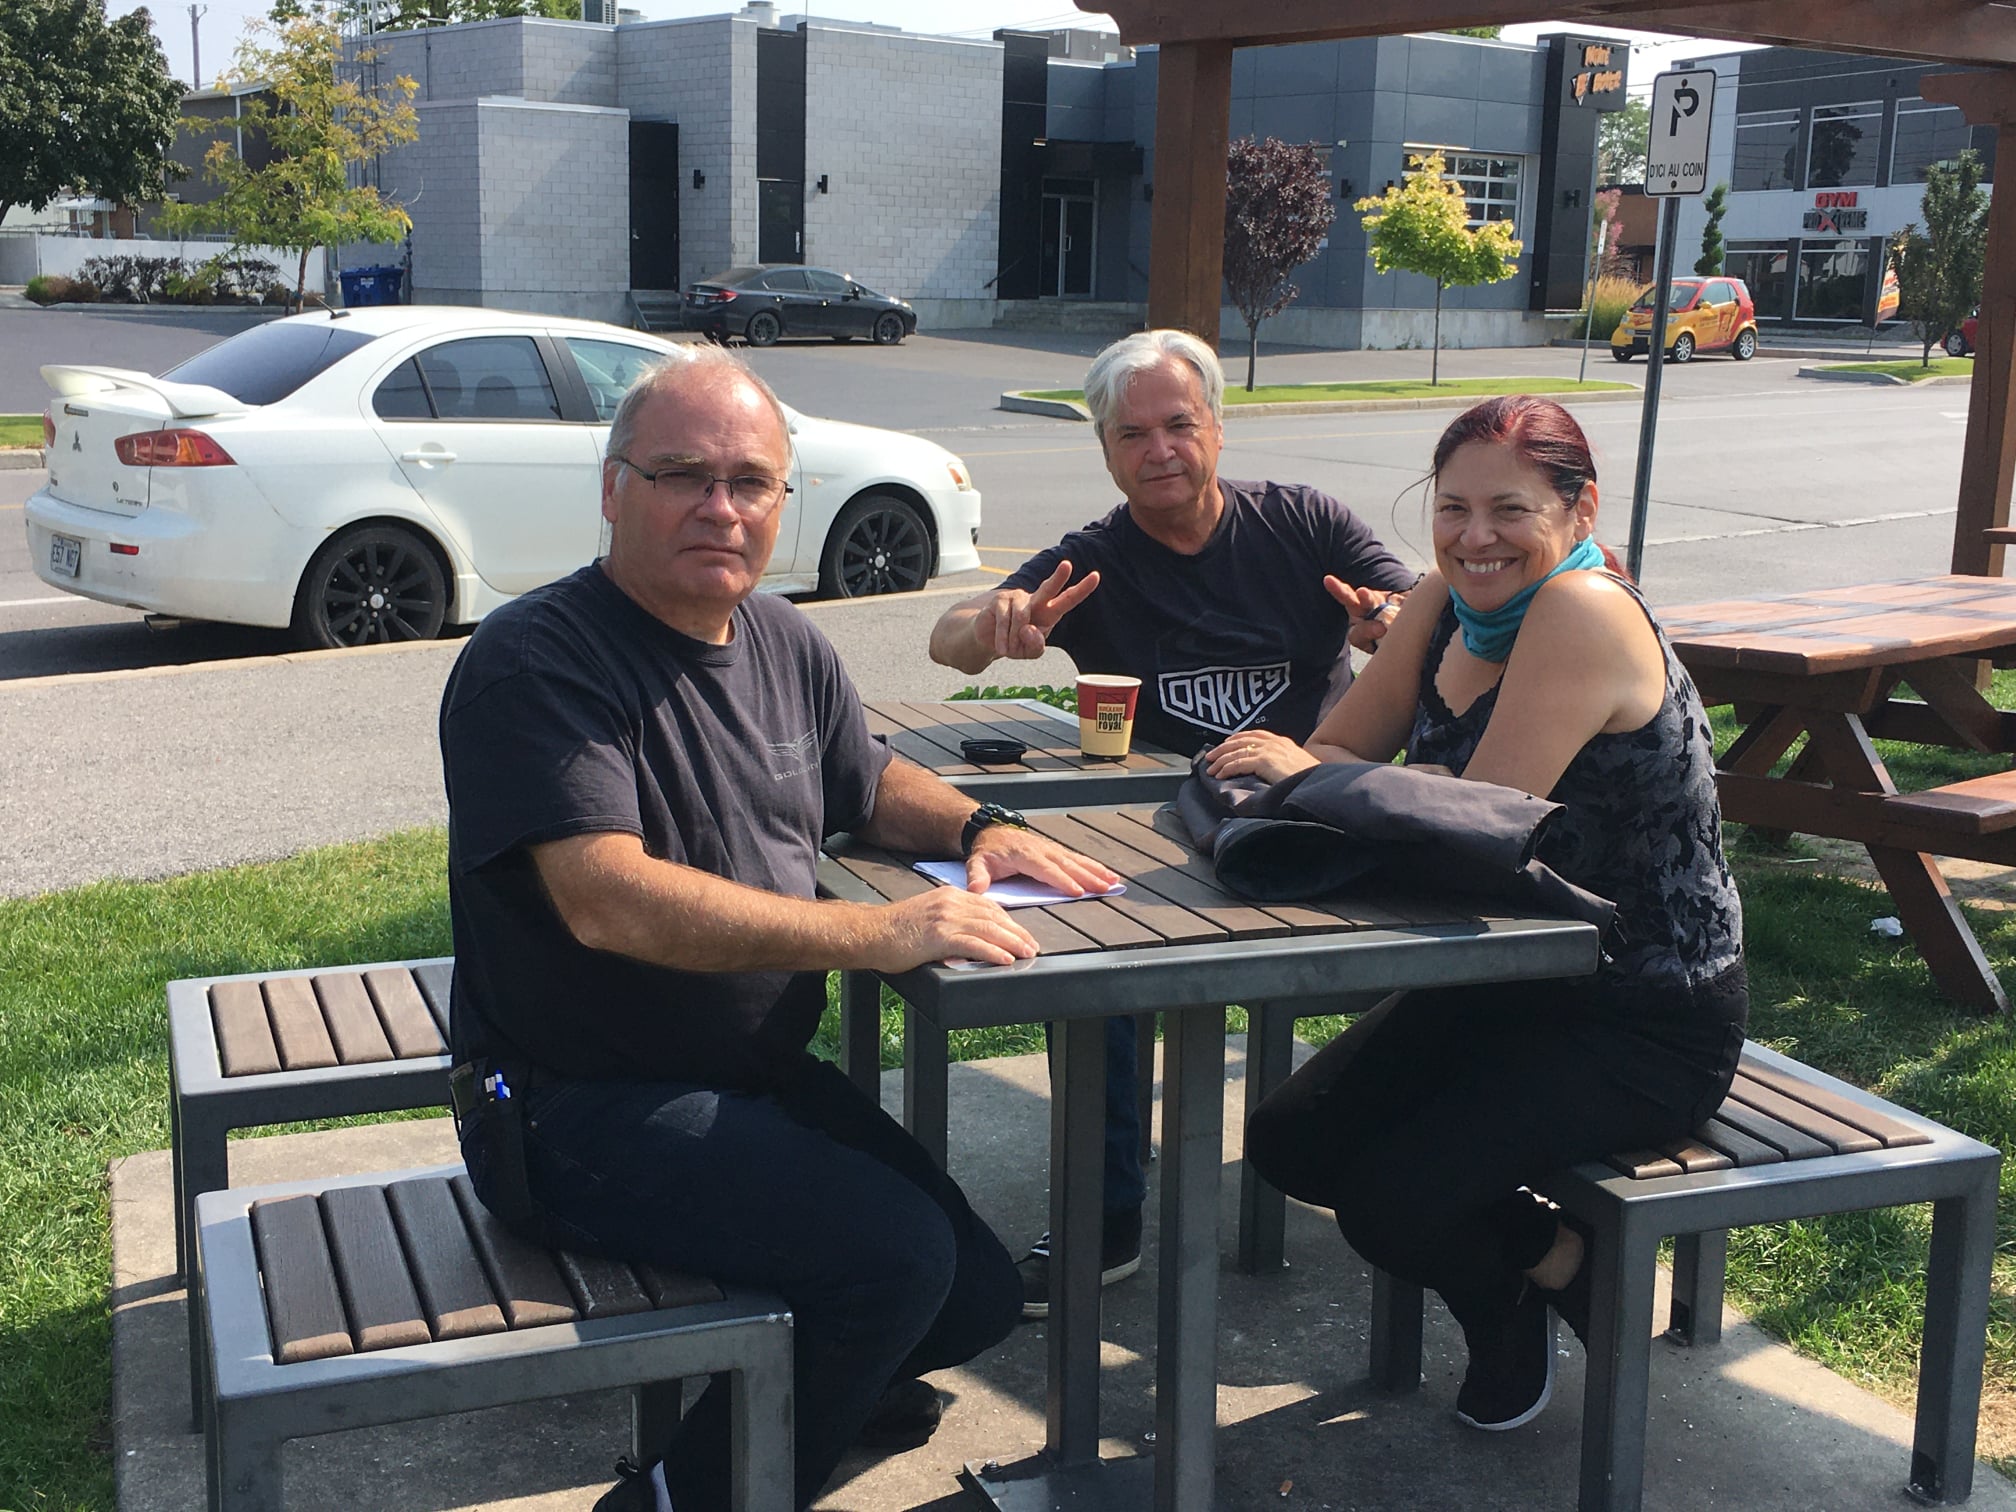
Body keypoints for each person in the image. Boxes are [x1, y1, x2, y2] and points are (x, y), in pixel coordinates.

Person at [439, 344, 1121, 1512]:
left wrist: (981, 827)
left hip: (743, 1079)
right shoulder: (537, 660)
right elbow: (606, 897)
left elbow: (869, 782)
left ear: (781, 501)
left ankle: (810, 1396)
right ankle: (681, 1496)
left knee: (976, 1297)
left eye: (750, 481)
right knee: (894, 1262)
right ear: (613, 489)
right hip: (569, 1109)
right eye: (683, 476)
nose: (722, 507)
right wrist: (875, 935)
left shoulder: (781, 640)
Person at [1216, 394, 1747, 1433]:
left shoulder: (1583, 610)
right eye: (1453, 508)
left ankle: (1515, 1296)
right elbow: (1338, 751)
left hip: (1642, 1015)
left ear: (1580, 509)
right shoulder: (1444, 601)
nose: (1474, 537)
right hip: (1500, 980)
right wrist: (1348, 783)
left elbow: (1473, 832)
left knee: (1392, 1199)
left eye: (1510, 509)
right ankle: (1554, 1260)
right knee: (1292, 1143)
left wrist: (1331, 786)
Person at [927, 328, 1419, 1317]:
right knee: (1093, 962)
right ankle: (1105, 1216)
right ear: (1107, 453)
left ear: (1218, 431)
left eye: (1179, 426)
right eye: (1132, 434)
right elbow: (949, 643)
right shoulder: (1097, 559)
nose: (1160, 451)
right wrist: (993, 627)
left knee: (1446, 949)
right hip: (1160, 827)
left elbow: (1414, 607)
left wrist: (1391, 623)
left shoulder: (1304, 523)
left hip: (1316, 817)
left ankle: (1414, 1186)